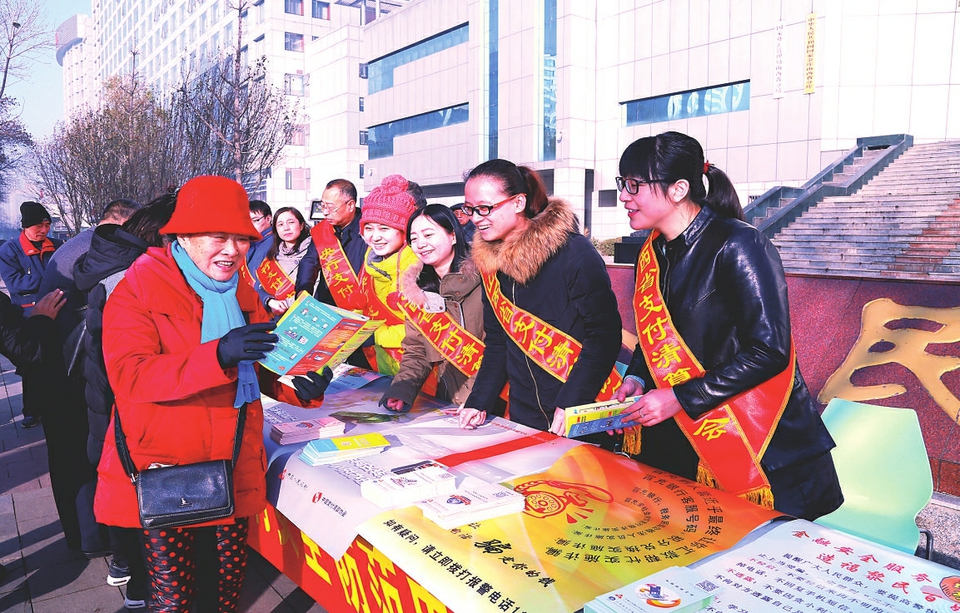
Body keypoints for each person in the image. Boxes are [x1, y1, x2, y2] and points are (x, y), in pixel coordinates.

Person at [93, 176, 333, 612]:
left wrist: (298, 383)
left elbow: (256, 365)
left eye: (241, 239)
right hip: (168, 471)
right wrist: (218, 353)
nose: (232, 250)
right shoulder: (138, 287)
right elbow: (131, 376)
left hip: (232, 460)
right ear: (182, 236)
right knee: (176, 600)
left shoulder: (241, 291)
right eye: (217, 237)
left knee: (224, 594)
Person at [613, 131, 842, 520]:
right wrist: (637, 376)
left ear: (678, 189)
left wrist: (681, 397)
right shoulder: (652, 253)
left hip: (757, 441)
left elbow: (769, 350)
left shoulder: (739, 244)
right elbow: (657, 340)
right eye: (623, 183)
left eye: (634, 185)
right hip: (680, 437)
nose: (623, 196)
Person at [457, 159, 623, 433]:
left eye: (484, 208)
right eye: (470, 209)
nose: (475, 218)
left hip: (577, 409)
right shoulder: (490, 264)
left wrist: (571, 402)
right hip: (524, 415)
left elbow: (604, 336)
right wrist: (478, 401)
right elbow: (498, 343)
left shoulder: (573, 252)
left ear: (518, 202)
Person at [74, 195, 177, 609]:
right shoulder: (133, 279)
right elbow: (137, 365)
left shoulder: (113, 266)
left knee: (126, 489)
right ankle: (139, 580)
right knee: (139, 494)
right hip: (127, 409)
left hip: (108, 404)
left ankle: (127, 567)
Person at [381, 204, 482, 411]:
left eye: (428, 235)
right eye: (414, 238)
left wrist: (481, 398)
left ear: (452, 236)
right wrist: (401, 390)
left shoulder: (487, 281)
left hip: (496, 400)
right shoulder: (418, 292)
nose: (421, 244)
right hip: (451, 400)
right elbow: (417, 350)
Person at [0, 201, 63, 429]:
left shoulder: (57, 245)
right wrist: (49, 279)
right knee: (32, 365)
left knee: (57, 360)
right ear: (25, 226)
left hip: (58, 309)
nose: (44, 230)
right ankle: (32, 410)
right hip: (28, 315)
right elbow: (16, 283)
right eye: (38, 225)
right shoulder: (10, 250)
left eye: (47, 225)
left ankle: (57, 404)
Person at [357, 174, 419, 375]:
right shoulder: (370, 261)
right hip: (383, 364)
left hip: (418, 370)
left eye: (384, 228)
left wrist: (374, 335)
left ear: (404, 231)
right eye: (368, 228)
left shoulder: (420, 267)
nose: (375, 237)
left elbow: (427, 329)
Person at [298, 179, 366, 307]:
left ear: (351, 205)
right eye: (322, 206)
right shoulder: (322, 231)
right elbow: (309, 262)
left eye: (330, 207)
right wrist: (303, 290)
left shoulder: (368, 230)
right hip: (326, 304)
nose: (324, 212)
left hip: (360, 306)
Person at [255, 207, 318, 316]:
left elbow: (315, 290)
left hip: (304, 314)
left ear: (302, 225)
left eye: (291, 222)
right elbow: (259, 288)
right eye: (280, 224)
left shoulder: (314, 253)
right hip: (274, 316)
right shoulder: (272, 256)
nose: (286, 228)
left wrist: (285, 304)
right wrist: (269, 301)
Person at [245, 199, 273, 269]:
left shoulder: (276, 242)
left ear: (268, 219)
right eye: (247, 221)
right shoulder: (248, 240)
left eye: (255, 220)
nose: (250, 225)